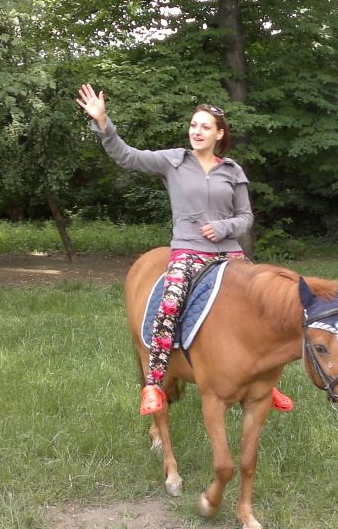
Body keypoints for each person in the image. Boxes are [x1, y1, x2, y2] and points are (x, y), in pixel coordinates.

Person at [76, 84, 294, 416]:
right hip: (189, 251)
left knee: (262, 302)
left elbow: (246, 217)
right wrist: (103, 123)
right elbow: (127, 156)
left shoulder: (232, 170)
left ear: (219, 134)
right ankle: (154, 383)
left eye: (205, 126)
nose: (197, 131)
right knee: (170, 303)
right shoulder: (174, 161)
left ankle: (264, 380)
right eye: (193, 125)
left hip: (229, 253)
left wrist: (223, 227)